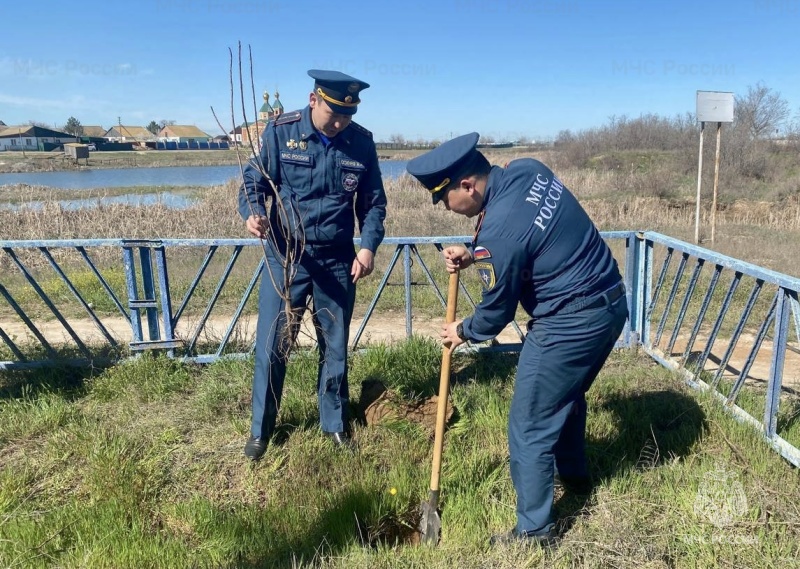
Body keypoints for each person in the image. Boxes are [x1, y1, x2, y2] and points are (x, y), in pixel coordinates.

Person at [406, 133, 628, 546]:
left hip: (569, 324)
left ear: (467, 186)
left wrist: (461, 332)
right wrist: (476, 254)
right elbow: (530, 232)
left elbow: (496, 313)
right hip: (610, 305)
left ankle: (535, 532)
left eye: (444, 199)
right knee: (565, 394)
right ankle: (575, 475)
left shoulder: (500, 233)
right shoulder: (528, 169)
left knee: (529, 426)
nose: (447, 210)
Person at [238, 69, 387, 460]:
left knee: (334, 346)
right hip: (286, 258)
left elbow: (373, 206)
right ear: (312, 100)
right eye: (333, 113)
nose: (339, 123)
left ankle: (334, 424)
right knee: (274, 345)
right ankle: (261, 432)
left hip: (337, 259)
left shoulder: (360, 143)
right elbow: (253, 182)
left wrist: (367, 247)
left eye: (347, 116)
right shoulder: (280, 133)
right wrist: (253, 213)